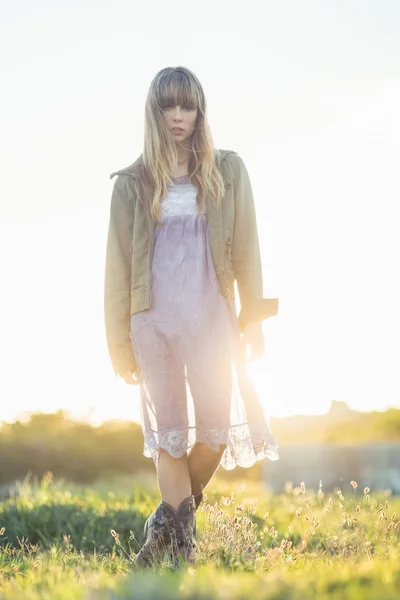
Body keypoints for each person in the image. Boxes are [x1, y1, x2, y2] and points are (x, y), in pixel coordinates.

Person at [104, 66, 279, 568]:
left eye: (187, 106)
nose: (178, 116)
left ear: (200, 111)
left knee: (215, 432)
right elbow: (116, 271)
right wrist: (119, 344)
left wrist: (254, 322)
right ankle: (179, 554)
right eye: (168, 106)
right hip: (152, 324)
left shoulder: (227, 170)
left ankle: (163, 526)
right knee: (169, 435)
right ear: (154, 113)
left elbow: (248, 251)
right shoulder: (131, 186)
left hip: (212, 321)